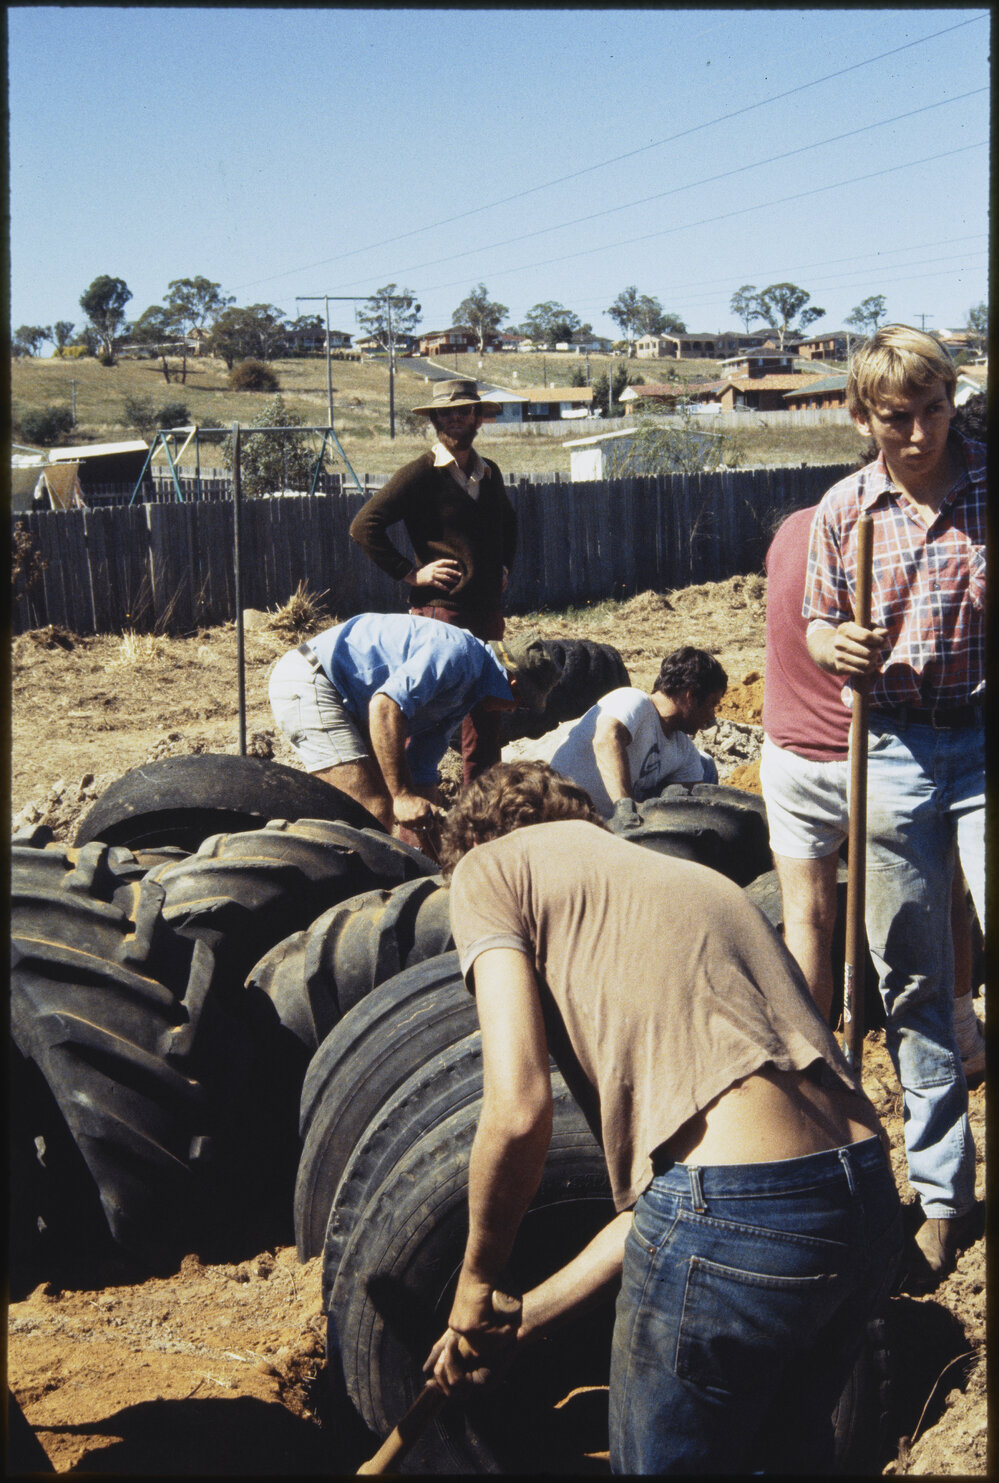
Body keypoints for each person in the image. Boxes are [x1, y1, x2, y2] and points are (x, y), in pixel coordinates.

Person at [423, 760, 902, 1475]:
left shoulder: (488, 869)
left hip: (738, 1218)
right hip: (864, 1197)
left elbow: (519, 1110)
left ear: (477, 839)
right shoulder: (685, 884)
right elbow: (689, 1205)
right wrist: (518, 1321)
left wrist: (473, 1283)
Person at [802, 325, 986, 1285]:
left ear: (953, 401)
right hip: (893, 748)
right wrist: (832, 644)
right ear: (860, 416)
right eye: (895, 417)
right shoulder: (845, 508)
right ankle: (944, 1196)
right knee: (911, 976)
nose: (918, 435)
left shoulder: (990, 490)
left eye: (932, 411)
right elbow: (816, 619)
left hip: (986, 735)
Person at [761, 505, 985, 1081]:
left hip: (792, 754)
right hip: (878, 755)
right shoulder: (894, 538)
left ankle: (815, 1071)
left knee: (807, 919)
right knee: (942, 898)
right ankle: (962, 1040)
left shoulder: (792, 530)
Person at [348, 379, 516, 784]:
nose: (454, 418)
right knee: (427, 712)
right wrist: (411, 572)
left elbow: (509, 524)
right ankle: (407, 799)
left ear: (478, 418)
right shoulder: (421, 473)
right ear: (435, 420)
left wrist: (504, 567)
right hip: (442, 615)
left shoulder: (489, 473)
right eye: (445, 413)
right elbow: (364, 526)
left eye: (463, 411)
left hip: (487, 614)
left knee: (487, 714)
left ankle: (480, 805)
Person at [268, 613, 560, 845]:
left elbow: (421, 766)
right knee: (373, 811)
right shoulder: (460, 656)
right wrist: (403, 796)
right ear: (513, 686)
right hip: (313, 679)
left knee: (384, 810)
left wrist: (435, 843)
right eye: (520, 703)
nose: (511, 711)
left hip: (348, 699)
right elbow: (385, 706)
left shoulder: (469, 690)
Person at [512, 646, 727, 818]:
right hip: (563, 811)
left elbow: (689, 809)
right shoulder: (633, 700)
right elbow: (607, 738)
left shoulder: (684, 749)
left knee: (705, 765)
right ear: (690, 695)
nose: (711, 716)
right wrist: (626, 809)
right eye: (712, 704)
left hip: (606, 827)